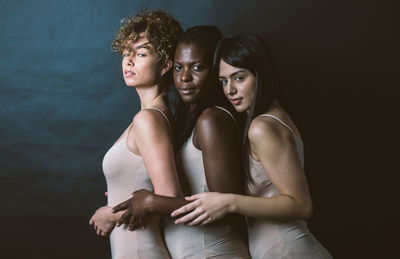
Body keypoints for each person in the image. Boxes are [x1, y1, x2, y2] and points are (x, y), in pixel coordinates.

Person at [171, 35, 332, 259]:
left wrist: (229, 202)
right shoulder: (275, 118)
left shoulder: (261, 127)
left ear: (261, 74)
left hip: (288, 250)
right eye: (224, 81)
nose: (230, 90)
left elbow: (301, 206)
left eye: (239, 78)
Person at [112, 26, 250, 259]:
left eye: (197, 67)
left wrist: (151, 202)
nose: (184, 77)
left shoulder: (212, 119)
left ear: (215, 70)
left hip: (215, 251)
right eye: (179, 67)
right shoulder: (189, 120)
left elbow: (228, 210)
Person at [88, 10, 183, 259]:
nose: (128, 61)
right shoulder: (150, 117)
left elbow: (169, 199)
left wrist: (109, 213)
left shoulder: (148, 119)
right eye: (126, 52)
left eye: (141, 53)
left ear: (164, 65)